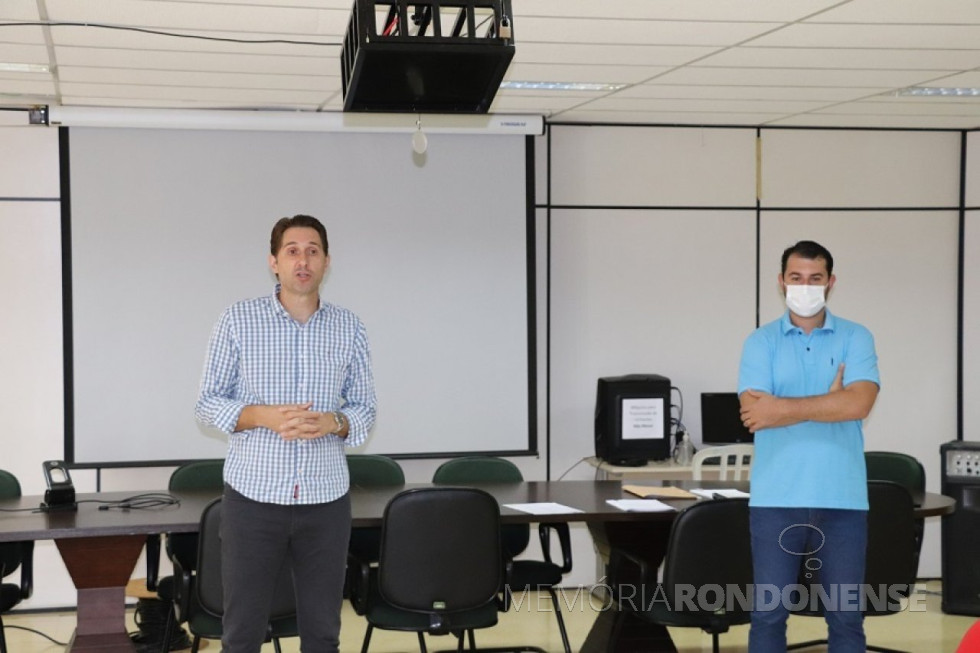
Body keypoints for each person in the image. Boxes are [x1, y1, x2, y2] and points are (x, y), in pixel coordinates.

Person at [195, 214, 377, 652]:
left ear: (326, 262)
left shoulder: (349, 327)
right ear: (273, 262)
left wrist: (336, 422)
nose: (303, 260)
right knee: (242, 634)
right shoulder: (238, 320)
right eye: (292, 250)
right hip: (253, 500)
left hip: (325, 502)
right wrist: (263, 416)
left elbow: (365, 410)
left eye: (312, 251)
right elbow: (207, 403)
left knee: (322, 634)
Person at [738, 240, 880, 653]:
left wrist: (782, 406)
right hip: (776, 499)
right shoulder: (760, 342)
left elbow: (861, 402)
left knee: (846, 617)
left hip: (843, 500)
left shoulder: (857, 336)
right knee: (768, 615)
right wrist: (830, 401)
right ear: (781, 282)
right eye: (796, 278)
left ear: (830, 282)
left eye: (815, 278)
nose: (805, 285)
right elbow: (755, 414)